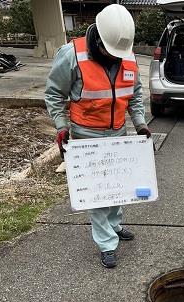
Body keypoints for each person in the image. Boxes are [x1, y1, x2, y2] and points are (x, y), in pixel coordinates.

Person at [45, 4, 151, 269]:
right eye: (109, 52)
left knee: (118, 186)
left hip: (118, 132)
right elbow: (54, 94)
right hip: (87, 135)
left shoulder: (127, 55)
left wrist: (139, 124)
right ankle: (106, 244)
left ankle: (114, 226)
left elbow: (134, 94)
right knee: (98, 193)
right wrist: (61, 126)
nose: (114, 57)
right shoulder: (72, 55)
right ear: (98, 39)